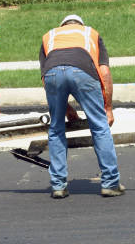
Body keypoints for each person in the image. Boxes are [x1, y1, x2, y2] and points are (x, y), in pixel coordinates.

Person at [39, 14, 125, 199]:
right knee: (99, 126)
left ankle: (58, 186)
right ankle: (110, 183)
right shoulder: (90, 33)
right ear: (79, 24)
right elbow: (104, 71)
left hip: (53, 73)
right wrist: (107, 108)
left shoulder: (49, 36)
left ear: (62, 25)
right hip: (83, 71)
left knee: (56, 128)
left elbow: (47, 78)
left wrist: (67, 110)